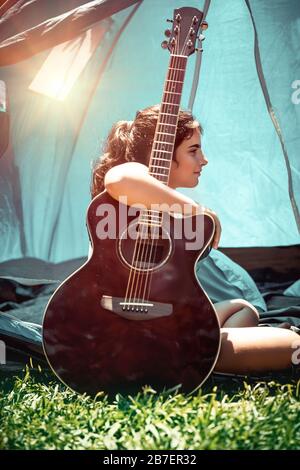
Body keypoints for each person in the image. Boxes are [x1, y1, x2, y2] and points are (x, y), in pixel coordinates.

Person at [91, 104, 300, 375]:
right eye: (193, 150)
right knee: (294, 344)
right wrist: (194, 209)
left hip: (170, 324)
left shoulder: (168, 208)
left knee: (243, 309)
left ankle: (209, 357)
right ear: (163, 154)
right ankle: (202, 359)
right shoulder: (128, 201)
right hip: (149, 338)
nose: (204, 159)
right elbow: (119, 178)